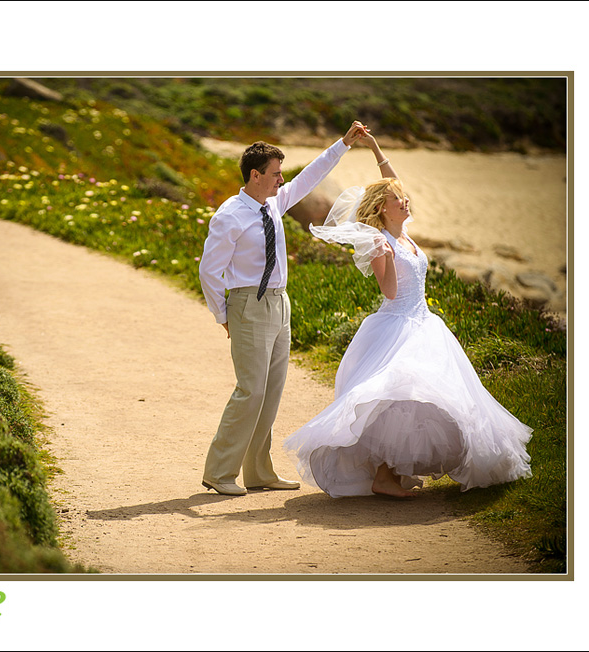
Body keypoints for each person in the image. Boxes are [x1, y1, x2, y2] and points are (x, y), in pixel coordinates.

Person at [282, 130, 533, 499]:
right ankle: (383, 476)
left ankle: (395, 472)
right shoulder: (383, 241)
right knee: (395, 398)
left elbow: (391, 178)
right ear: (383, 209)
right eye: (398, 200)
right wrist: (379, 253)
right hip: (396, 324)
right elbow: (390, 291)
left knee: (422, 400)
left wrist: (376, 148)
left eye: (405, 198)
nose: (405, 201)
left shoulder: (405, 236)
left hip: (425, 324)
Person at [199, 121, 369, 496]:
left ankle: (259, 472)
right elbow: (209, 271)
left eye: (281, 174)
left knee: (271, 392)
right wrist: (223, 316)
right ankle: (219, 471)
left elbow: (309, 177)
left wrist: (342, 145)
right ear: (255, 175)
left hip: (280, 303)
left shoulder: (273, 201)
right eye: (275, 174)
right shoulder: (229, 214)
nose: (281, 179)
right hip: (247, 304)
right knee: (250, 391)